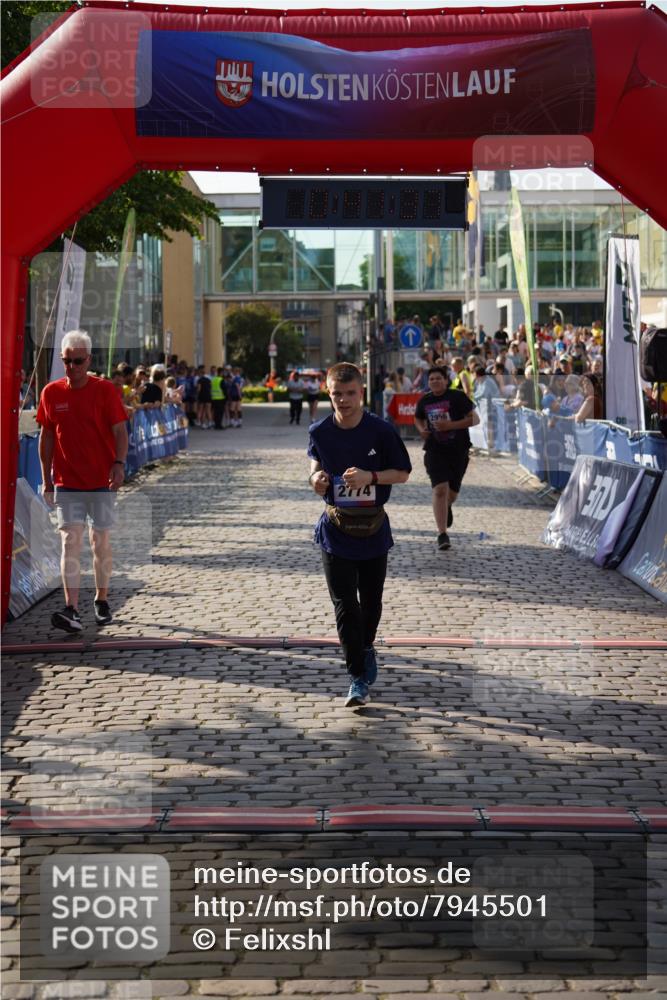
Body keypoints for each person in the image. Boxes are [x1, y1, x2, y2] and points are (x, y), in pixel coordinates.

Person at [308, 363, 411, 708]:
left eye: (350, 393)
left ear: (361, 393)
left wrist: (371, 476)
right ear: (329, 392)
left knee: (371, 603)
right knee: (344, 606)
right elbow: (313, 469)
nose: (343, 400)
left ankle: (366, 647)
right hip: (335, 530)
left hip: (372, 530)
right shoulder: (320, 431)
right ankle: (356, 677)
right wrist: (317, 481)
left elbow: (403, 474)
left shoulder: (381, 431)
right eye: (337, 393)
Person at [36, 330, 128, 632]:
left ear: (88, 359)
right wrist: (47, 479)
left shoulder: (105, 391)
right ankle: (71, 608)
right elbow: (46, 436)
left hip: (101, 480)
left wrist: (118, 464)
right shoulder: (51, 393)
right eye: (67, 361)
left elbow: (119, 432)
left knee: (99, 541)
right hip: (67, 481)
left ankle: (101, 599)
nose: (72, 367)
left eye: (77, 361)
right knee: (69, 541)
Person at [414, 367, 478, 551]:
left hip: (458, 450)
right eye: (431, 379)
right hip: (434, 449)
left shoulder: (457, 397)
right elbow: (417, 418)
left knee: (452, 493)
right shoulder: (425, 400)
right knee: (440, 489)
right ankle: (442, 534)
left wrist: (451, 425)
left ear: (445, 380)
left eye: (438, 378)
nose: (434, 381)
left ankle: (448, 505)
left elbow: (475, 419)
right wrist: (421, 430)